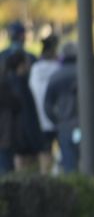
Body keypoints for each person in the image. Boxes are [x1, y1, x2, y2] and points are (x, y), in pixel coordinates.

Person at [42, 43, 94, 173]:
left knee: (70, 167)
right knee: (92, 167)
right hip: (89, 126)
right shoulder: (89, 73)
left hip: (66, 127)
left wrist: (58, 122)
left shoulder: (55, 76)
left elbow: (47, 105)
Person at [28, 36, 60, 174]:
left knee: (44, 152)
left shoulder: (35, 69)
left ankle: (44, 176)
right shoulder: (58, 69)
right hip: (57, 117)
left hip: (38, 119)